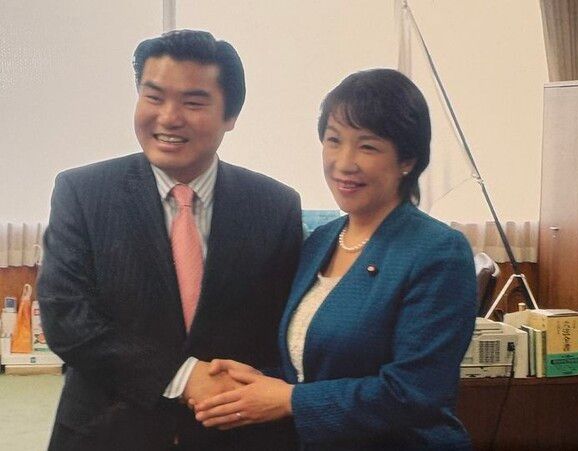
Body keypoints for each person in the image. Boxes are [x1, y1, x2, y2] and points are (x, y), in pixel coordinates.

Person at [37, 29, 302, 451]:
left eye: (193, 103)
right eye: (154, 97)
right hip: (105, 434)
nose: (168, 117)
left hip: (235, 434)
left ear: (230, 115)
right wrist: (182, 376)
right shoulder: (83, 193)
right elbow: (67, 318)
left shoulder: (275, 206)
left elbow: (283, 332)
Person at [193, 69, 477, 450]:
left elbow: (414, 392)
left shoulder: (437, 251)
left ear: (407, 159)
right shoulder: (320, 241)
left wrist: (289, 400)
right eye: (333, 140)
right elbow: (314, 367)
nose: (344, 162)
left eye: (367, 147)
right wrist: (256, 381)